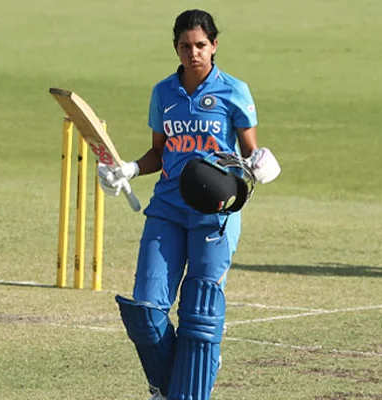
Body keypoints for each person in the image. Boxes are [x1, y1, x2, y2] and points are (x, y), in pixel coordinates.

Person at [97, 9, 280, 400]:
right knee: (146, 311)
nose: (193, 53)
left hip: (215, 213)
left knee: (199, 315)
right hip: (166, 209)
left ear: (214, 46)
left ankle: (185, 390)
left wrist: (263, 162)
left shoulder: (234, 91)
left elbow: (250, 152)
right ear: (175, 48)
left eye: (200, 45)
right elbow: (159, 153)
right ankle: (164, 386)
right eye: (185, 46)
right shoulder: (164, 93)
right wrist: (128, 168)